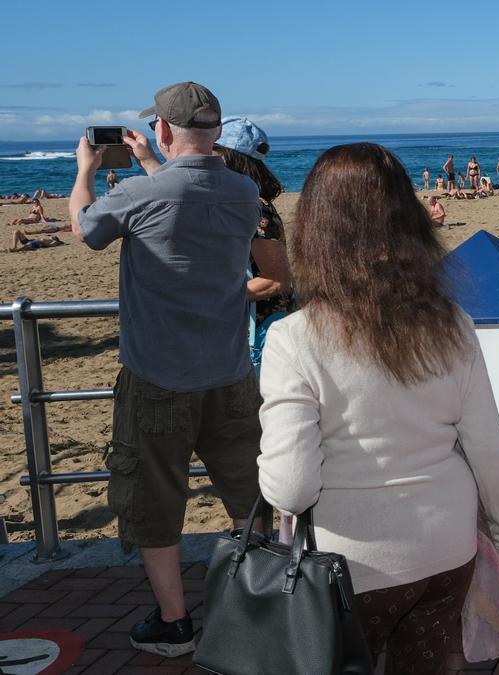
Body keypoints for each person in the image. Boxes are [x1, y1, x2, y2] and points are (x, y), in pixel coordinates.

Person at [256, 143, 499, 674]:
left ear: (314, 228)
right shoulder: (450, 324)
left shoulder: (293, 339)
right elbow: (490, 449)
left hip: (347, 565)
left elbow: (290, 488)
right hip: (445, 550)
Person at [69, 81, 263, 657]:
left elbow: (87, 231)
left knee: (154, 501)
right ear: (218, 130)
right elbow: (188, 195)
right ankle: (261, 604)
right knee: (249, 493)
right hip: (228, 372)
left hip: (157, 376)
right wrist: (156, 164)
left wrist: (83, 171)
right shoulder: (244, 192)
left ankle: (175, 624)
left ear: (162, 127)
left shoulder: (134, 194)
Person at [214, 117, 295, 374]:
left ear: (229, 158)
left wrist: (210, 297)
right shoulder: (238, 204)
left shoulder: (256, 209)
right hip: (246, 329)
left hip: (261, 332)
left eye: (212, 152)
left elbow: (276, 280)